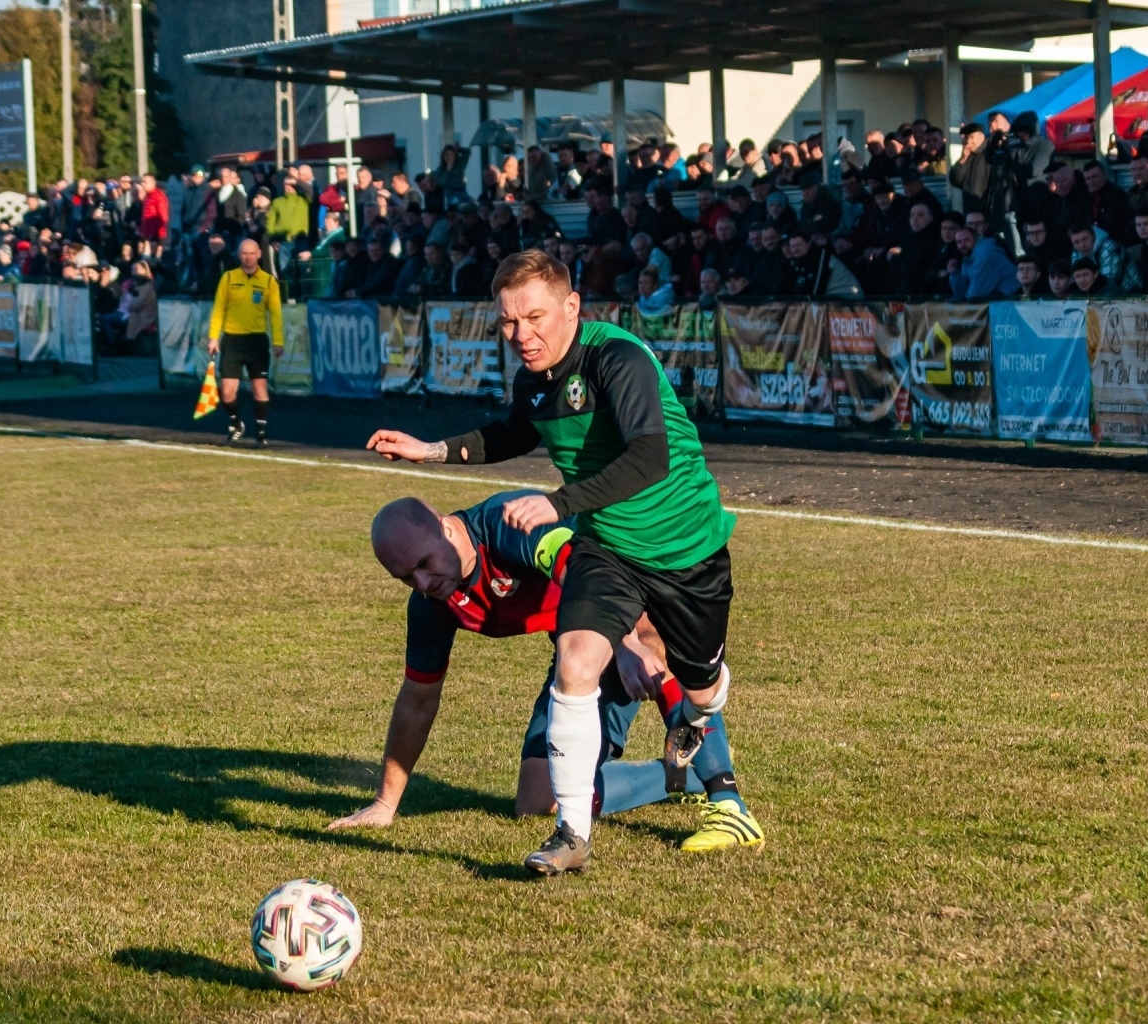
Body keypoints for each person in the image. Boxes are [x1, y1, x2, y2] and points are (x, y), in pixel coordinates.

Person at [366, 250, 739, 876]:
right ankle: (595, 819)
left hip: (678, 549)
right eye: (508, 323)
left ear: (572, 307)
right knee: (545, 762)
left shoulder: (613, 362)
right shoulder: (532, 382)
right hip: (607, 555)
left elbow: (649, 458)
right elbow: (513, 432)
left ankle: (722, 789)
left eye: (534, 317)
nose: (522, 335)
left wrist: (625, 636)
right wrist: (429, 450)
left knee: (674, 666)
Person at [332, 493, 761, 854]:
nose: (423, 582)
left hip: (632, 594)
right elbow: (417, 701)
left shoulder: (507, 527)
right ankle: (674, 776)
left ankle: (728, 802)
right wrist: (385, 805)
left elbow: (583, 572)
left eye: (424, 563)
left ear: (445, 528)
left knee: (653, 646)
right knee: (535, 800)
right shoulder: (433, 604)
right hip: (580, 650)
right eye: (406, 577)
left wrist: (626, 642)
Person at [207, 238, 282, 446]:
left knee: (259, 387)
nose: (248, 257)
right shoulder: (229, 278)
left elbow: (275, 314)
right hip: (232, 340)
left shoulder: (268, 281)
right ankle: (236, 423)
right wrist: (214, 336)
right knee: (228, 390)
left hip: (256, 341)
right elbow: (218, 309)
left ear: (259, 254)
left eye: (251, 253)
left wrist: (278, 341)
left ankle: (260, 434)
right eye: (244, 254)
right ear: (239, 256)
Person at [948, 226, 1018, 300]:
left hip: (1014, 299)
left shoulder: (985, 255)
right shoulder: (968, 256)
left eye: (966, 240)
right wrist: (955, 274)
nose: (962, 245)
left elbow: (975, 296)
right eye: (959, 242)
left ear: (975, 238)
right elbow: (962, 293)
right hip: (1000, 298)